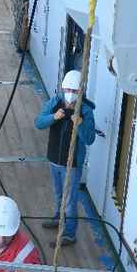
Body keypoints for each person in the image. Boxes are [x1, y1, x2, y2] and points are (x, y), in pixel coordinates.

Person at [34, 69, 96, 247]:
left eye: (74, 91)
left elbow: (89, 139)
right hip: (54, 158)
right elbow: (38, 122)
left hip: (72, 164)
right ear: (61, 89)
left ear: (81, 92)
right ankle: (58, 218)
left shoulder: (86, 111)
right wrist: (54, 117)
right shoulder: (55, 103)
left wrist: (81, 124)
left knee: (70, 200)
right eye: (67, 90)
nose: (70, 94)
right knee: (58, 192)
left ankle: (69, 233)